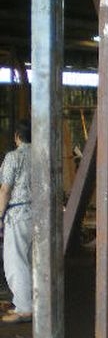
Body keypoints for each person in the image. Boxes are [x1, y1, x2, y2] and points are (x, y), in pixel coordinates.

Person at [0, 119, 32, 323]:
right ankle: (35, 305)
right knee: (34, 262)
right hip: (40, 215)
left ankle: (24, 308)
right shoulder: (42, 154)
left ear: (17, 136)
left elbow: (5, 189)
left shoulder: (14, 156)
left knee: (16, 262)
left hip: (18, 214)